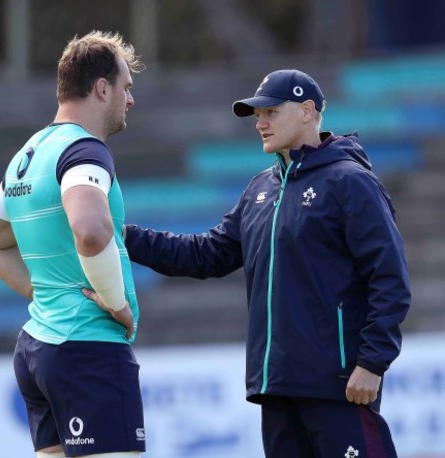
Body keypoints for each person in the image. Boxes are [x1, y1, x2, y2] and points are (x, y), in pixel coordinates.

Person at [117, 69, 411, 457]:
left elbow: (390, 280)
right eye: (257, 115)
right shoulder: (260, 188)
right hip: (275, 390)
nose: (261, 122)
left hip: (338, 386)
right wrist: (121, 236)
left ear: (308, 111)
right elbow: (205, 253)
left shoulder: (350, 183)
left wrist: (372, 363)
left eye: (271, 111)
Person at [0, 31, 146, 458]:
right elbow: (90, 230)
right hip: (87, 348)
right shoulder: (85, 150)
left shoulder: (29, 154)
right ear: (101, 88)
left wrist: (48, 293)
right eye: (126, 87)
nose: (130, 99)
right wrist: (114, 301)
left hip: (38, 348)